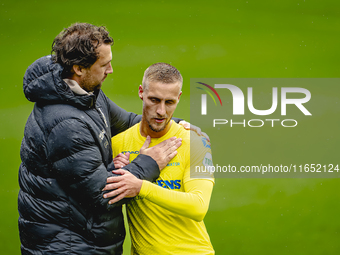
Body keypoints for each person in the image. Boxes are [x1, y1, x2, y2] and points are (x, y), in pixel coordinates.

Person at [18, 23, 183, 255]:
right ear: (79, 68)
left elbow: (127, 122)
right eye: (104, 65)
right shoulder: (66, 125)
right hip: (70, 246)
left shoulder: (84, 92)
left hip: (83, 239)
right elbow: (104, 195)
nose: (111, 70)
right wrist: (149, 163)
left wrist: (176, 127)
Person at [104, 63, 215, 254]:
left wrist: (140, 186)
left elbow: (198, 207)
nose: (161, 111)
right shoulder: (118, 143)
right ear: (141, 92)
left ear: (179, 98)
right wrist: (112, 168)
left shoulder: (195, 142)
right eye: (154, 100)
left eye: (169, 102)